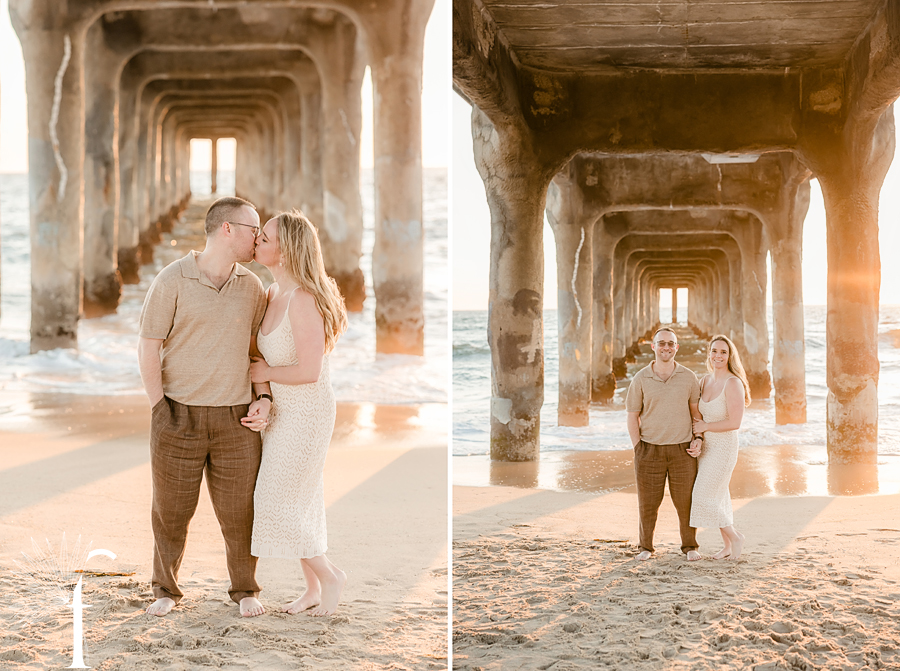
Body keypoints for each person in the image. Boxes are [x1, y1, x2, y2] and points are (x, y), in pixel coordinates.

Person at [137, 196, 273, 618]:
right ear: (227, 229)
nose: (259, 238)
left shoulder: (251, 286)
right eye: (254, 230)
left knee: (240, 512)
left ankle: (245, 589)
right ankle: (165, 590)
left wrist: (264, 398)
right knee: (171, 511)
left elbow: (255, 350)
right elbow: (148, 346)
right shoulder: (172, 279)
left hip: (237, 419)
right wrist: (160, 405)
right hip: (178, 414)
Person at [249, 209, 349, 617]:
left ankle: (330, 576)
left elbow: (309, 371)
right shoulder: (273, 294)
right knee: (301, 500)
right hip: (282, 413)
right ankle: (310, 589)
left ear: (286, 250)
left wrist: (265, 373)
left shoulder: (304, 299)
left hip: (308, 414)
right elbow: (258, 356)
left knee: (276, 501)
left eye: (265, 238)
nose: (257, 241)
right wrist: (264, 395)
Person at [625, 327, 704, 561]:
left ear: (676, 347)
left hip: (683, 450)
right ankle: (646, 547)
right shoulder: (640, 378)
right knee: (648, 503)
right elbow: (632, 416)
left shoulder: (689, 377)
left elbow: (696, 414)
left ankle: (690, 546)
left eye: (671, 343)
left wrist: (698, 438)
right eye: (661, 343)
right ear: (654, 347)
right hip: (649, 449)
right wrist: (638, 446)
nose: (666, 347)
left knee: (685, 502)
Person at [690, 335, 751, 561]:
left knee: (703, 496)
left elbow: (735, 423)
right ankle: (726, 546)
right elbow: (696, 418)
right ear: (709, 353)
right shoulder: (704, 381)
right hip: (707, 448)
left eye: (723, 352)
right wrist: (698, 438)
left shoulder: (733, 383)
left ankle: (735, 537)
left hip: (724, 448)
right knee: (719, 495)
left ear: (729, 356)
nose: (718, 355)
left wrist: (706, 426)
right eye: (714, 351)